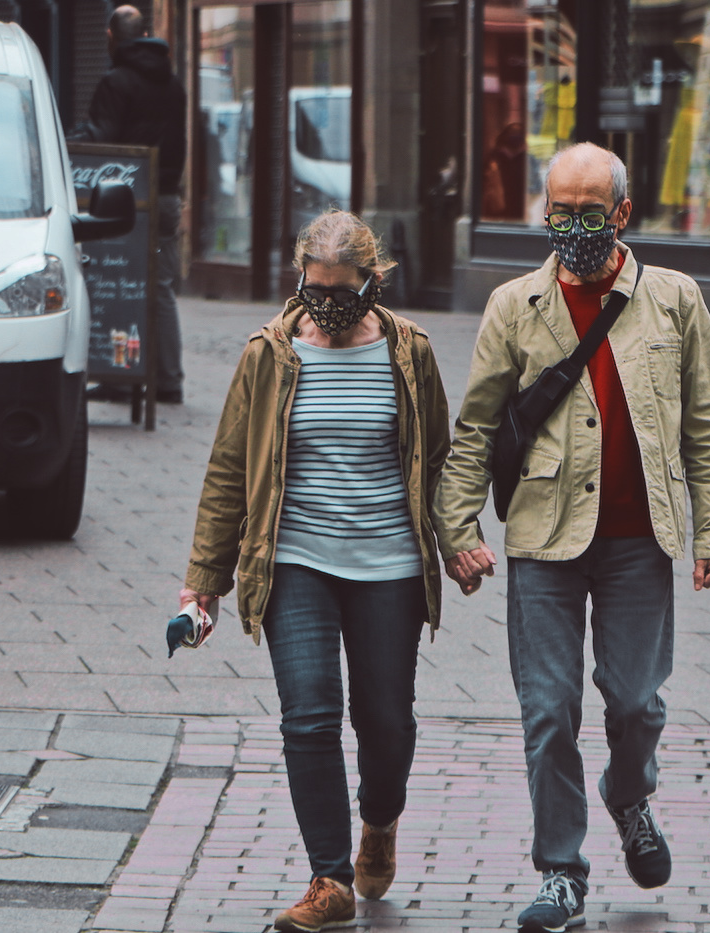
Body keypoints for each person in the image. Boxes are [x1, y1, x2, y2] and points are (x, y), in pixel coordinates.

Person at [433, 142, 710, 932]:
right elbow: (474, 430)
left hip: (642, 538)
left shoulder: (674, 299)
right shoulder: (514, 306)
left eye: (589, 214)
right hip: (543, 537)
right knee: (549, 710)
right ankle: (561, 870)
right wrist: (456, 527)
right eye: (559, 213)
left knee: (636, 702)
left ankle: (629, 793)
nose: (572, 228)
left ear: (623, 215)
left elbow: (709, 422)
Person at [181, 211, 451, 932]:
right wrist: (204, 579)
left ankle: (381, 818)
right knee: (309, 713)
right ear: (300, 275)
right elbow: (229, 470)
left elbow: (441, 463)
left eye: (344, 287)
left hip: (389, 562)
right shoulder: (268, 353)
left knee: (386, 721)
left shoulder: (409, 350)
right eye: (316, 285)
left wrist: (459, 542)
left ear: (373, 281)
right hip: (294, 556)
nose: (329, 300)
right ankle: (329, 877)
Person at [73, 4, 188, 404]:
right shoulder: (173, 84)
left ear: (110, 37)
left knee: (119, 277)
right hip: (167, 195)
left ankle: (121, 376)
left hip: (126, 200)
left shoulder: (116, 82)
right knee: (159, 285)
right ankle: (169, 380)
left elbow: (103, 141)